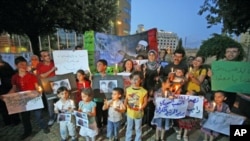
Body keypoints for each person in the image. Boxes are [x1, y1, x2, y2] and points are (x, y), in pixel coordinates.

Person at [7, 56, 50, 140]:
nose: (23, 66)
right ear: (16, 66)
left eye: (25, 64)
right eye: (21, 64)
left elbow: (37, 86)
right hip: (23, 100)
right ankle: (27, 131)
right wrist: (7, 95)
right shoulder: (14, 77)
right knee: (25, 118)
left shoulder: (32, 76)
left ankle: (44, 127)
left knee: (39, 116)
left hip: (34, 99)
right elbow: (14, 88)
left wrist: (39, 90)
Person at [124, 71, 148, 141]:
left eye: (137, 79)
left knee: (138, 128)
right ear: (130, 80)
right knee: (129, 127)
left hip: (138, 113)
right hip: (129, 113)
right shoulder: (128, 89)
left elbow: (145, 102)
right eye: (133, 79)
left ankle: (138, 139)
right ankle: (128, 139)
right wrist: (125, 104)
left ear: (141, 80)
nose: (134, 81)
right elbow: (126, 99)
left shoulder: (144, 91)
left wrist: (141, 107)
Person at [36, 50, 57, 126]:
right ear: (41, 58)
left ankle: (61, 117)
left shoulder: (54, 62)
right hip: (47, 86)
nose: (48, 57)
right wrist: (52, 70)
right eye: (45, 56)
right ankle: (52, 117)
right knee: (50, 103)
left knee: (60, 101)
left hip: (57, 84)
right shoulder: (39, 65)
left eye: (48, 55)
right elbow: (42, 76)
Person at [0, 55, 21, 126]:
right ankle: (7, 121)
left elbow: (11, 75)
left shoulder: (5, 65)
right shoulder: (6, 64)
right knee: (3, 105)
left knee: (11, 103)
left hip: (8, 87)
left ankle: (15, 120)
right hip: (2, 88)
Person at [151, 76, 173, 141]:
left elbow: (172, 101)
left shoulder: (169, 92)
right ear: (163, 84)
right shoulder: (157, 92)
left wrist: (171, 98)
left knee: (164, 125)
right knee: (158, 125)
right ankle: (157, 138)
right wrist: (164, 101)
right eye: (168, 82)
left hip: (166, 113)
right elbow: (156, 102)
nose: (170, 84)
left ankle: (162, 137)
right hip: (159, 113)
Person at [94, 59, 109, 133]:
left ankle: (105, 125)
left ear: (105, 66)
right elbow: (92, 87)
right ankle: (99, 126)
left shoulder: (109, 76)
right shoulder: (94, 76)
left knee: (105, 113)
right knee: (98, 114)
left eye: (99, 64)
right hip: (96, 99)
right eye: (97, 65)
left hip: (105, 99)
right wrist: (91, 80)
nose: (98, 66)